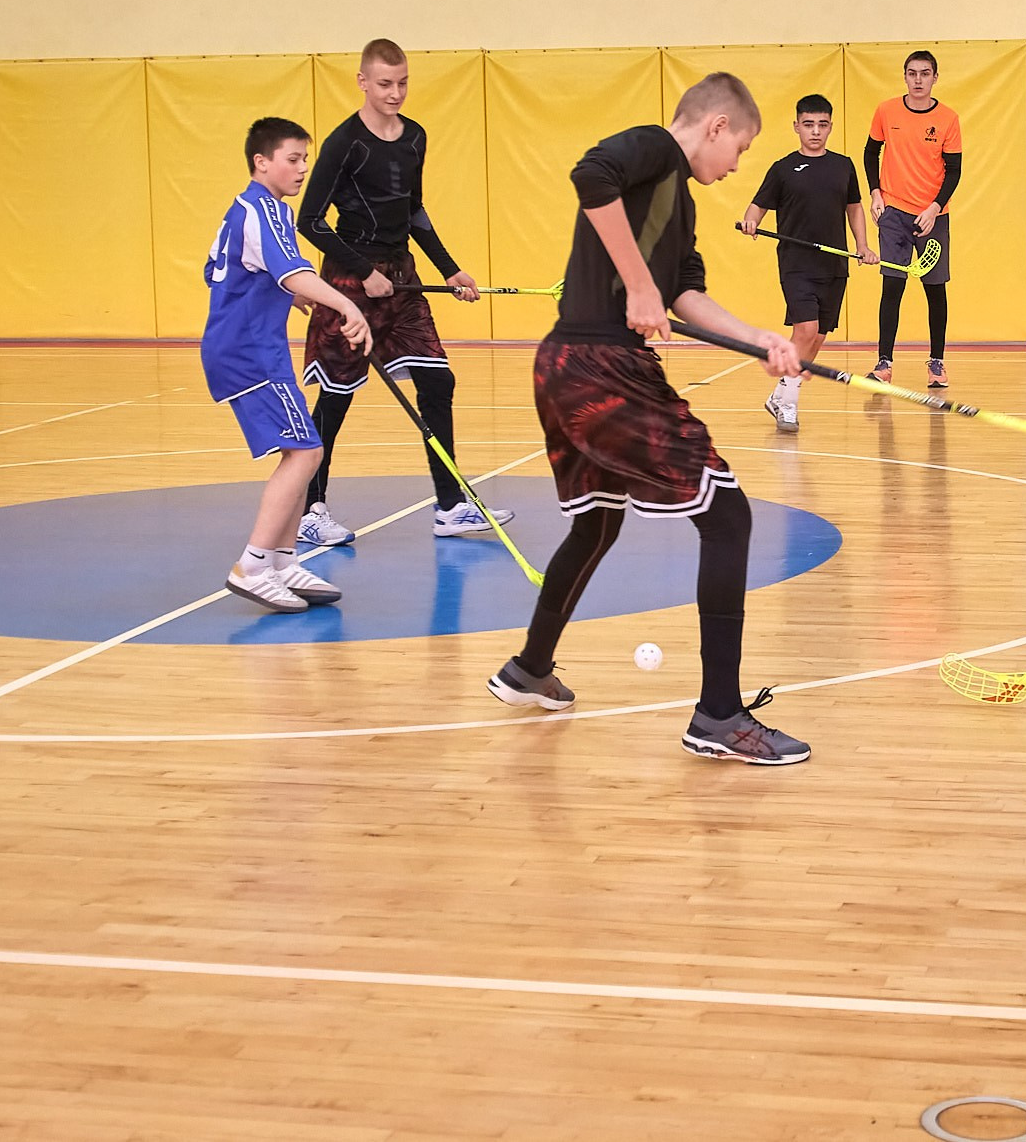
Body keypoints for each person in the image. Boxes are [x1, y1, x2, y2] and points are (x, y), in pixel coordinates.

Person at [486, 73, 812, 765]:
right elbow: (590, 175)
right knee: (728, 516)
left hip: (568, 369)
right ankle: (719, 715)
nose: (735, 166)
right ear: (717, 125)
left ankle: (529, 668)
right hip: (599, 367)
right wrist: (636, 284)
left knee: (598, 520)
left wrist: (763, 339)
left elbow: (687, 294)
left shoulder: (681, 208)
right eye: (741, 148)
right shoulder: (654, 150)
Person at [293, 37, 510, 546]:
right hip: (350, 279)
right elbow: (310, 220)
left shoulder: (415, 137)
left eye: (403, 83)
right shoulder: (345, 142)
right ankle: (310, 509)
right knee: (337, 395)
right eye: (386, 84)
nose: (396, 93)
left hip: (403, 278)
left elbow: (414, 211)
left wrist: (451, 269)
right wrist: (363, 270)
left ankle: (450, 508)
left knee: (438, 382)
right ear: (363, 82)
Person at [201, 117, 372, 613]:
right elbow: (293, 271)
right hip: (249, 351)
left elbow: (227, 270)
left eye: (305, 160)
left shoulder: (243, 211)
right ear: (262, 161)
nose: (301, 170)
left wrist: (286, 296)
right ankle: (253, 564)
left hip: (250, 346)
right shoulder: (268, 211)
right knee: (304, 454)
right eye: (293, 159)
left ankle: (281, 559)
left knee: (305, 449)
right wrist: (347, 305)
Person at [739, 93, 877, 432]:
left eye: (823, 125)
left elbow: (854, 207)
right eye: (809, 125)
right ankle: (789, 404)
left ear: (830, 126)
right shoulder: (783, 168)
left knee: (817, 338)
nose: (815, 131)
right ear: (796, 126)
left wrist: (863, 245)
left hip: (834, 264)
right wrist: (750, 220)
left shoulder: (843, 165)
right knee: (806, 330)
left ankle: (782, 393)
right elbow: (757, 205)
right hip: (796, 262)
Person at [865, 50, 962, 388]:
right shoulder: (886, 110)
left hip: (933, 215)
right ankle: (884, 363)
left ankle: (936, 363)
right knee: (892, 286)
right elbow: (870, 152)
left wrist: (935, 207)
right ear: (904, 76)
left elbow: (954, 171)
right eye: (912, 73)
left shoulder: (948, 118)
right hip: (893, 212)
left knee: (935, 289)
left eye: (925, 73)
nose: (918, 80)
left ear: (935, 77)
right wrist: (876, 192)